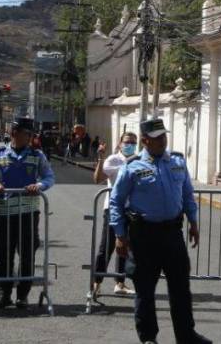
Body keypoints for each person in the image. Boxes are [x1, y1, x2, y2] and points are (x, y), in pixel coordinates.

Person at [109, 118, 211, 344]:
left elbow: (187, 194)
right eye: (157, 138)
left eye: (164, 136)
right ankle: (148, 338)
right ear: (145, 141)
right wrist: (120, 234)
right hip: (143, 236)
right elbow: (116, 201)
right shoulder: (132, 166)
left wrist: (193, 222)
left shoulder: (177, 162)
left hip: (172, 234)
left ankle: (186, 335)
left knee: (181, 289)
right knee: (145, 290)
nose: (163, 141)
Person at [0, 116, 55, 309]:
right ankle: (3, 294)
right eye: (26, 133)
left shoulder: (37, 155)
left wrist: (39, 185)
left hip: (28, 213)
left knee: (26, 254)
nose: (30, 137)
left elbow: (49, 177)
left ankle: (23, 295)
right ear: (14, 133)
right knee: (3, 255)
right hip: (4, 213)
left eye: (31, 134)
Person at [90, 132, 137, 298]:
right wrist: (101, 157)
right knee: (107, 246)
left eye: (133, 142)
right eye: (127, 142)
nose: (130, 145)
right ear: (120, 143)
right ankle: (96, 283)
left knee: (125, 247)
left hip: (131, 209)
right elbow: (98, 178)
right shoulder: (112, 159)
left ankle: (120, 282)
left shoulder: (138, 161)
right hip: (113, 208)